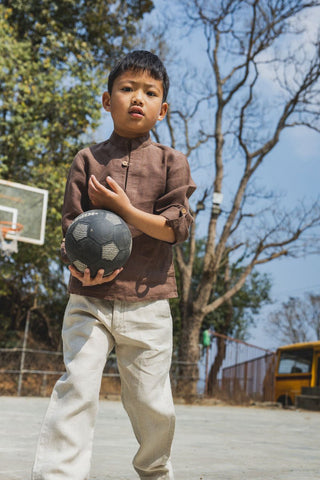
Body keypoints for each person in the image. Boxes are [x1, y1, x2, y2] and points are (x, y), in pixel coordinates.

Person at [32, 50, 196, 480]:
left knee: (150, 403)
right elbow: (70, 230)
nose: (136, 98)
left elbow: (175, 228)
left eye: (149, 92)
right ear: (108, 101)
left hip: (148, 301)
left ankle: (155, 471)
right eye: (127, 89)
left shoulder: (171, 163)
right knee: (77, 388)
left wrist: (124, 210)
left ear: (163, 109)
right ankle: (57, 475)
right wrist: (76, 267)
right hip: (90, 299)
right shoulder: (87, 161)